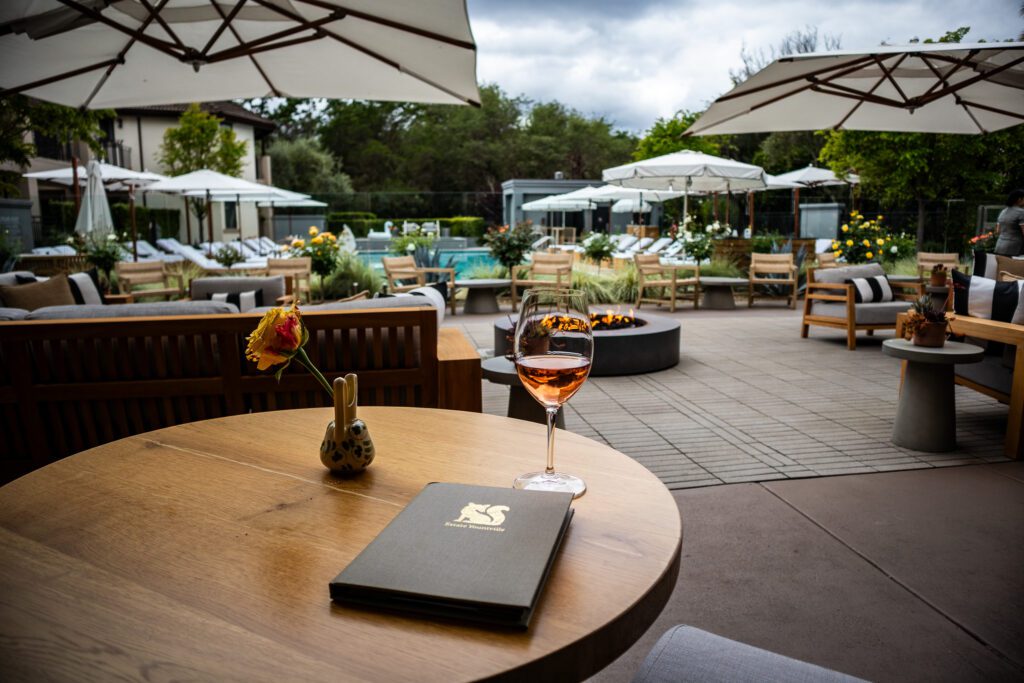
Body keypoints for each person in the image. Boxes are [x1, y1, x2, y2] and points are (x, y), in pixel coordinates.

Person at [993, 189, 1024, 256]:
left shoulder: (1003, 212)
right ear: (1019, 199)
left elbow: (997, 231)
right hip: (1014, 249)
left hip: (999, 247)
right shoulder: (1021, 213)